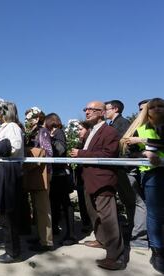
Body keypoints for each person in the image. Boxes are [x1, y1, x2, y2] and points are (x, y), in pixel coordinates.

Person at [70, 101, 125, 270]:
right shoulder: (91, 132)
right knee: (94, 213)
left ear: (101, 112)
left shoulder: (109, 131)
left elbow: (108, 154)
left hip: (103, 180)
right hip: (89, 179)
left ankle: (116, 257)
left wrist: (81, 153)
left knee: (108, 219)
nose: (86, 112)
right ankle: (102, 240)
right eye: (85, 109)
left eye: (91, 109)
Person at [122, 97, 164, 274]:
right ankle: (157, 251)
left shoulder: (143, 135)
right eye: (152, 107)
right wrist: (144, 154)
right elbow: (130, 154)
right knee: (154, 213)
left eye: (160, 105)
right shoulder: (140, 128)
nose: (156, 109)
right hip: (151, 174)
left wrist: (144, 143)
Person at [0, 101, 24, 263]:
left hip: (6, 171)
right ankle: (9, 244)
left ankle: (13, 251)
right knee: (4, 211)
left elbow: (14, 148)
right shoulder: (5, 128)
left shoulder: (13, 127)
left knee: (8, 211)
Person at [105, 100, 136, 243]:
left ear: (115, 109)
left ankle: (135, 231)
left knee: (131, 201)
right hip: (118, 167)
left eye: (107, 109)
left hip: (123, 168)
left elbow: (125, 147)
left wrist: (123, 164)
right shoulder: (113, 124)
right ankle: (131, 227)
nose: (105, 112)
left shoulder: (122, 123)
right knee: (125, 200)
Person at [24, 107, 54, 252]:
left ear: (36, 119)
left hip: (43, 172)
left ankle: (46, 242)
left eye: (29, 118)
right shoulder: (33, 132)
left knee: (43, 208)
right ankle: (40, 236)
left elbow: (48, 152)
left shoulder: (43, 132)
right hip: (35, 172)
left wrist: (30, 155)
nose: (27, 121)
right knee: (37, 208)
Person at [46, 113, 77, 245]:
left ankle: (71, 234)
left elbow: (60, 149)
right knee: (54, 203)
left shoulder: (58, 132)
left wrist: (50, 142)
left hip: (61, 174)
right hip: (56, 173)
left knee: (65, 203)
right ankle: (54, 230)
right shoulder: (55, 133)